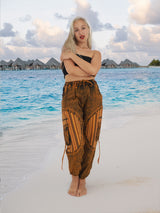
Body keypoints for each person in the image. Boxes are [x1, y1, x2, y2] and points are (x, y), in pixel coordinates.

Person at [60, 16, 103, 197]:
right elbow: (71, 71)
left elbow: (94, 71)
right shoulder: (66, 50)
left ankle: (83, 178)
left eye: (83, 28)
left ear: (88, 30)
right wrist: (87, 71)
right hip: (71, 95)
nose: (80, 32)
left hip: (93, 95)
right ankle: (74, 177)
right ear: (73, 33)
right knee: (74, 139)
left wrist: (74, 58)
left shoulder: (96, 53)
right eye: (76, 29)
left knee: (90, 138)